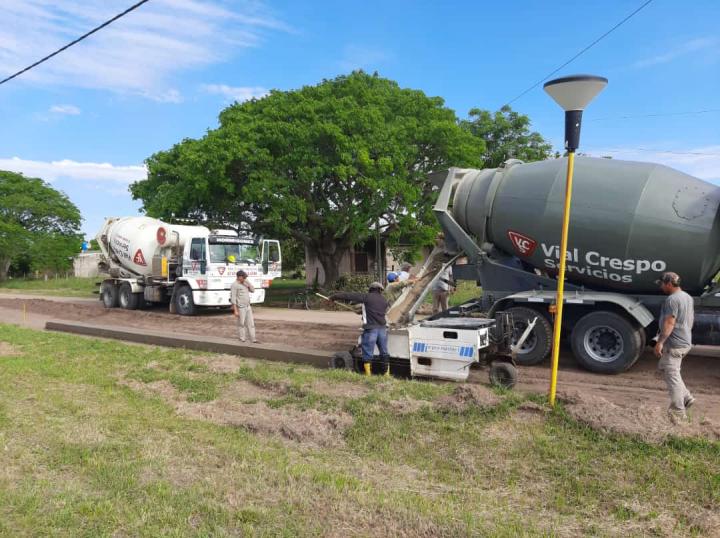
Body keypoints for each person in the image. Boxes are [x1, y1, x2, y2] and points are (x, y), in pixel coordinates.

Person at [654, 271, 695, 421]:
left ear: (669, 284)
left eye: (662, 284)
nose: (661, 287)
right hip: (684, 341)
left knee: (672, 376)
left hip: (674, 344)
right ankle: (686, 397)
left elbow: (670, 322)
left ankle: (678, 413)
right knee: (667, 368)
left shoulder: (672, 300)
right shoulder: (687, 297)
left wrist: (660, 342)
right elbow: (690, 319)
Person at [330, 282, 390, 376]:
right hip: (382, 330)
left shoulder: (367, 297)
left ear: (371, 289)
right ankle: (386, 375)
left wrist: (334, 296)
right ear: (380, 290)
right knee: (384, 353)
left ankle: (368, 375)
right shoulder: (384, 300)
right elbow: (376, 311)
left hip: (371, 329)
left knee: (368, 353)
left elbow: (349, 296)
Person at [230, 270, 257, 343]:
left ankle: (253, 339)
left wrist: (248, 283)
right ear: (239, 277)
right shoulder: (234, 285)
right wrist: (235, 310)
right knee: (241, 323)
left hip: (248, 306)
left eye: (245, 277)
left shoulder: (245, 282)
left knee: (251, 324)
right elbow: (233, 298)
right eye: (243, 277)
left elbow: (253, 290)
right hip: (240, 307)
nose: (245, 278)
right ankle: (242, 338)